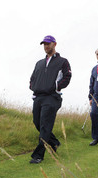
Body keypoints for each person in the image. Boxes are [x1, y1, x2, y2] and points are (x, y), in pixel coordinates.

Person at [29, 35, 72, 164]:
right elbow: (32, 78)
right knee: (37, 123)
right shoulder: (39, 63)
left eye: (48, 44)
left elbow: (67, 76)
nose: (46, 46)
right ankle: (54, 142)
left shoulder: (62, 61)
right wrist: (34, 87)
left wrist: (56, 87)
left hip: (52, 97)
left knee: (45, 125)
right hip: (38, 97)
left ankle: (38, 155)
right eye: (44, 44)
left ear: (54, 44)